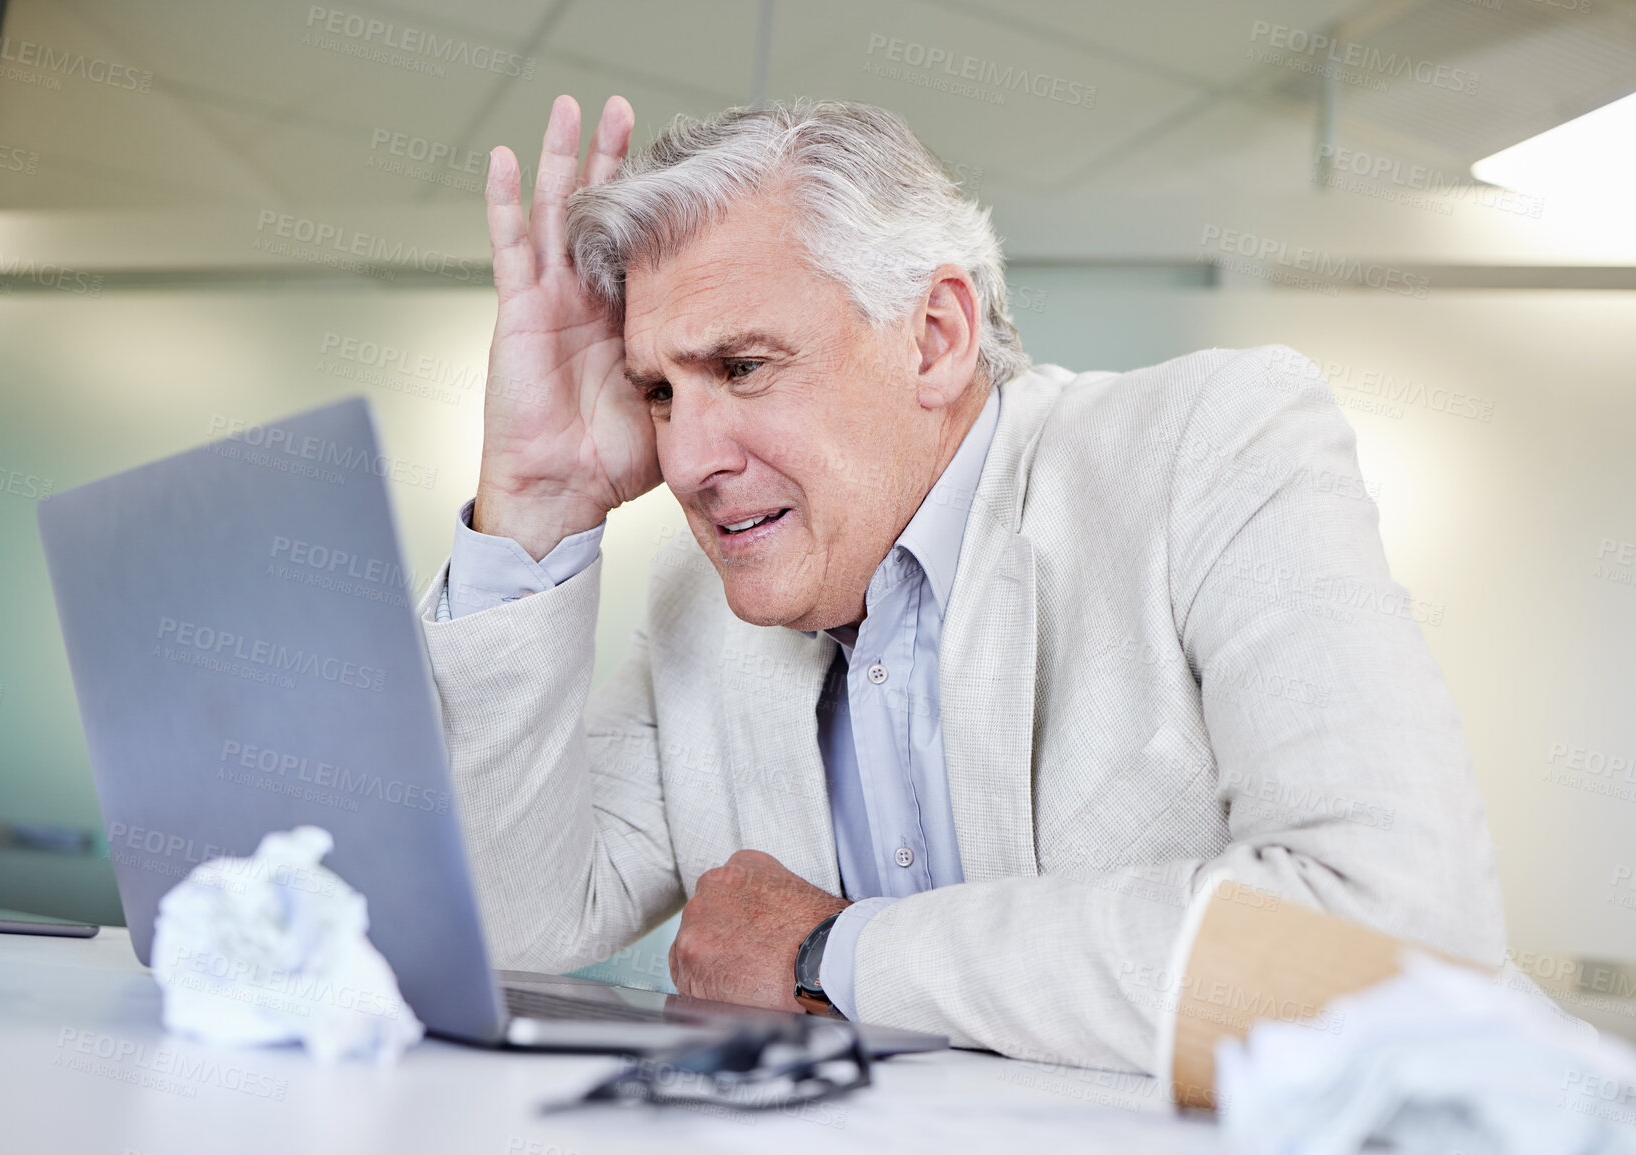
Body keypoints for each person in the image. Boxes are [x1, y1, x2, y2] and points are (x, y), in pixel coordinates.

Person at [418, 93, 1504, 1073]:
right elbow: (516, 931)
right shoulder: (694, 604)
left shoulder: (1210, 450)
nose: (688, 459)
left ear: (935, 338)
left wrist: (830, 952)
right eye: (658, 388)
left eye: (742, 368)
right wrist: (538, 502)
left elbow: (1391, 944)